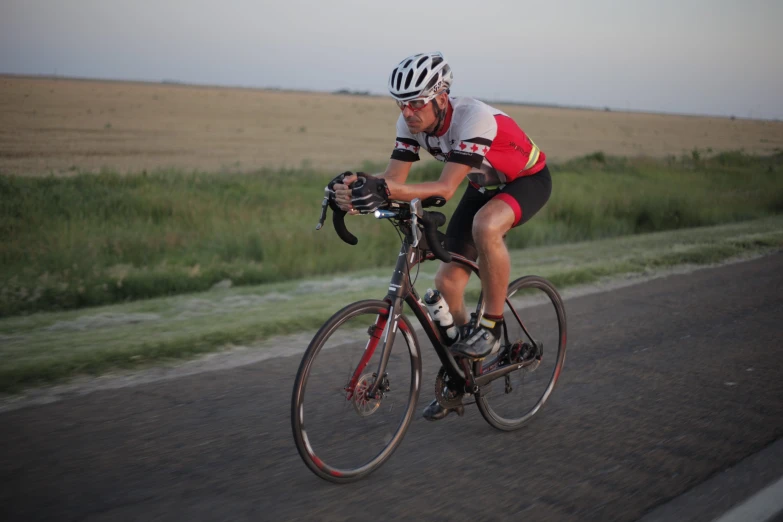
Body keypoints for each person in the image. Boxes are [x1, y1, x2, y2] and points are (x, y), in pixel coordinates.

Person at [333, 51, 552, 421]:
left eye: (416, 103)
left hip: (526, 180)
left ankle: (491, 327)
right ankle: (468, 370)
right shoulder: (411, 124)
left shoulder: (473, 118)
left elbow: (444, 189)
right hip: (483, 185)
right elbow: (394, 181)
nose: (407, 112)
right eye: (401, 104)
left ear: (440, 97)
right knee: (447, 281)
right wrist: (356, 188)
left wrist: (381, 190)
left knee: (486, 226)